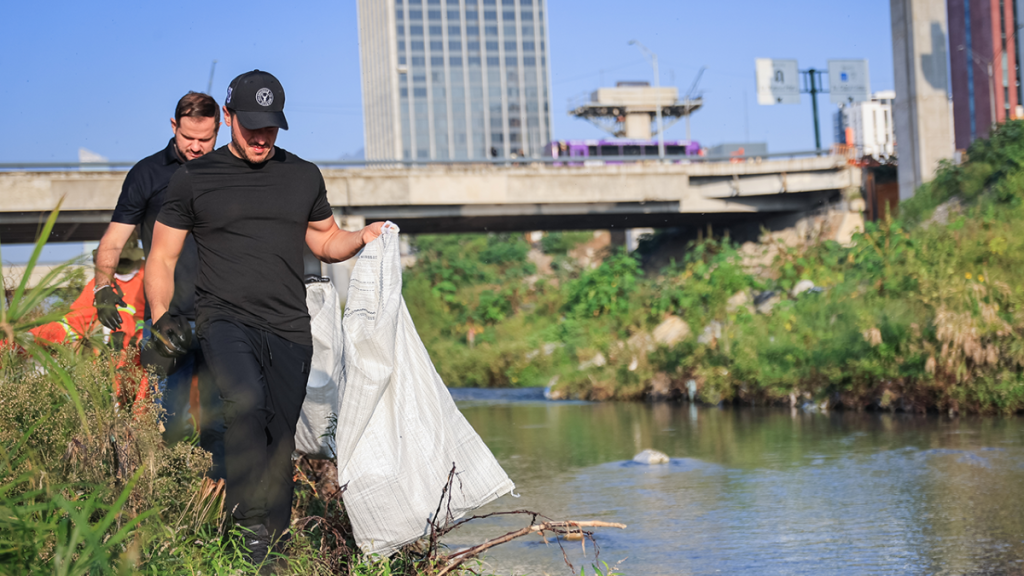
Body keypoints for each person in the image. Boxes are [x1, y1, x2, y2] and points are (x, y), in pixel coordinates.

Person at [146, 70, 386, 563]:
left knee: (279, 436)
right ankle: (248, 530)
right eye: (251, 125)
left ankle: (269, 549)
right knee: (246, 405)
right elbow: (162, 257)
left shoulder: (302, 176)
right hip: (224, 321)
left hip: (289, 327)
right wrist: (161, 315)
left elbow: (323, 239)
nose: (261, 137)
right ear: (229, 117)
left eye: (270, 127)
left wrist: (361, 239)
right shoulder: (194, 178)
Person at [92, 92, 226, 478]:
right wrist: (103, 285)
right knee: (171, 424)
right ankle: (172, 510)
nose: (197, 147)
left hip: (224, 317)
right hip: (167, 321)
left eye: (206, 138)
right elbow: (114, 239)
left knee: (221, 425)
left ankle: (218, 513)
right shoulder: (147, 174)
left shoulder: (228, 171)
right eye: (188, 137)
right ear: (173, 127)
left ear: (219, 130)